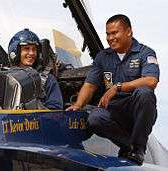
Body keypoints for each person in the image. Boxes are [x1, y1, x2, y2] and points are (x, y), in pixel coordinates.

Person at [66, 14, 159, 165]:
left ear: (129, 32)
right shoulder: (103, 57)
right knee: (94, 118)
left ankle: (138, 148)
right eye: (108, 34)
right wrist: (78, 105)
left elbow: (151, 81)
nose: (110, 38)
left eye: (114, 33)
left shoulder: (145, 53)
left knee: (145, 93)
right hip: (114, 111)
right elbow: (90, 84)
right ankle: (129, 145)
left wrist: (118, 87)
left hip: (136, 111)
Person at [8, 28, 63, 110]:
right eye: (26, 49)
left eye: (34, 49)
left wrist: (36, 107)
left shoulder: (48, 79)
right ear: (16, 51)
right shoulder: (5, 77)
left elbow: (56, 112)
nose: (31, 53)